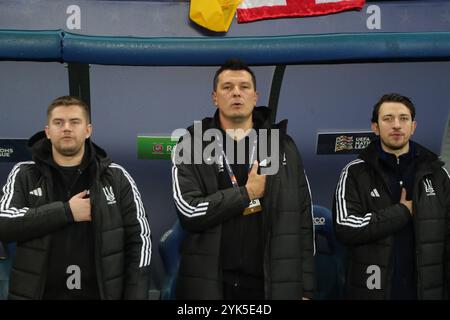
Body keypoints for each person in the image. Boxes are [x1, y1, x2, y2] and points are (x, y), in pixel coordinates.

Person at [171, 59, 315, 300]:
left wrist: (307, 290)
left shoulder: (282, 146)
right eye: (227, 87)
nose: (236, 92)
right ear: (214, 97)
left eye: (244, 87)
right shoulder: (192, 144)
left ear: (256, 96)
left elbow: (303, 221)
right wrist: (246, 194)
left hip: (270, 285)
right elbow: (189, 211)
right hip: (211, 285)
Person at [0, 96, 152, 299]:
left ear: (88, 130)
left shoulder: (116, 177)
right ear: (48, 131)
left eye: (74, 122)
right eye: (58, 122)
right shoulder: (25, 173)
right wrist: (66, 211)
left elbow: (140, 241)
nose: (66, 128)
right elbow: (4, 224)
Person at [333, 93, 450, 300]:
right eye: (388, 119)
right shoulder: (354, 173)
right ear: (375, 127)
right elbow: (345, 228)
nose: (396, 125)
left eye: (403, 118)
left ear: (413, 126)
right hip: (373, 292)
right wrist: (401, 212)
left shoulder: (438, 174)